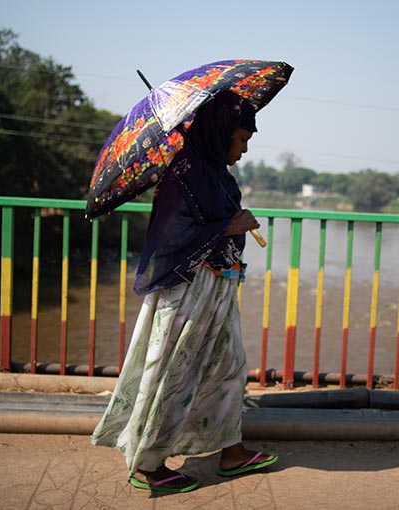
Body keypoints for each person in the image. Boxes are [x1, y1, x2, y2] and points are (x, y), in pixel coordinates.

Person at [90, 90, 278, 493]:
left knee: (228, 367)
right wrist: (227, 227)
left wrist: (230, 226)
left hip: (217, 290)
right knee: (173, 373)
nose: (244, 149)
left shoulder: (214, 173)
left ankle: (232, 451)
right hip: (185, 293)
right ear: (221, 132)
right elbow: (170, 238)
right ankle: (148, 463)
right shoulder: (183, 176)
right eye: (241, 138)